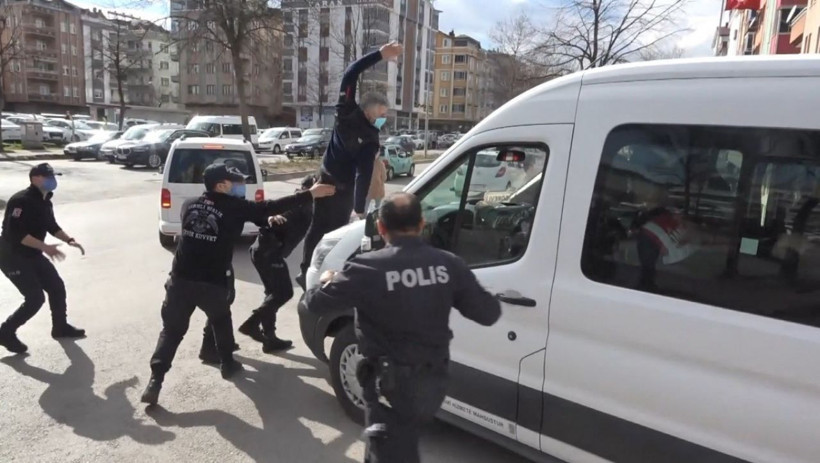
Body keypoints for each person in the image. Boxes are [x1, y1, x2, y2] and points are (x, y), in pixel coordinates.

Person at [304, 192, 501, 463]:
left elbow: (314, 304)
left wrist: (326, 279)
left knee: (391, 451)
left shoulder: (366, 268)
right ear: (422, 224)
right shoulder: (449, 264)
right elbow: (488, 313)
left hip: (390, 387)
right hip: (433, 383)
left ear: (381, 228)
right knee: (397, 444)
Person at [141, 164, 334, 405]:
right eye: (236, 182)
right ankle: (227, 364)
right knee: (221, 320)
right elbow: (269, 207)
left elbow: (262, 213)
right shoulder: (233, 207)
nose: (241, 186)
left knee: (171, 332)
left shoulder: (189, 205)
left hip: (180, 279)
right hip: (211, 281)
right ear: (222, 185)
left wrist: (265, 216)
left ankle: (155, 381)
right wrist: (310, 194)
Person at [297, 41, 405, 289]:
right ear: (371, 108)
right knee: (324, 230)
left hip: (334, 183)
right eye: (382, 112)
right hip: (333, 184)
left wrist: (358, 206)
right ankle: (310, 274)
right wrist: (379, 54)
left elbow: (364, 174)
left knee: (326, 230)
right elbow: (351, 73)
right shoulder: (348, 112)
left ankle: (312, 272)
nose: (383, 118)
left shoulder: (369, 136)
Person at [0, 163, 86, 354]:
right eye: (48, 177)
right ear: (35, 178)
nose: (52, 180)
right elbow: (17, 235)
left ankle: (60, 327)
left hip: (32, 253)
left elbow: (51, 225)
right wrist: (45, 247)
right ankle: (5, 331)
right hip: (12, 256)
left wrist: (69, 239)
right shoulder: (20, 201)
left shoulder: (45, 200)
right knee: (35, 298)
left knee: (56, 287)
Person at [236, 174, 317, 353]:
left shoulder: (304, 204)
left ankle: (269, 338)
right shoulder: (303, 205)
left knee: (272, 294)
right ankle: (252, 323)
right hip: (269, 253)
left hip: (263, 252)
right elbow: (277, 214)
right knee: (284, 292)